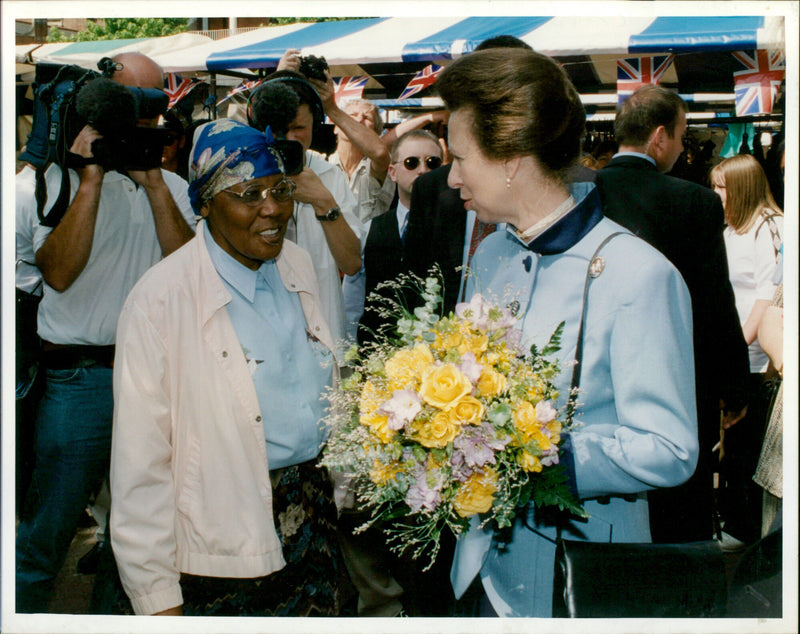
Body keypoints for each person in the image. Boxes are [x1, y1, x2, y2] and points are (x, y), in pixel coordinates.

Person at [438, 48, 699, 618]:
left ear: (510, 158)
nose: (452, 176)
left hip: (580, 581)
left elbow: (671, 448)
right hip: (485, 573)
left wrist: (538, 457)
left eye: (459, 157)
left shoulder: (638, 273)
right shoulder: (492, 256)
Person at [110, 120, 345, 616]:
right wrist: (157, 600)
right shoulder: (160, 302)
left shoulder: (295, 264)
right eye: (249, 193)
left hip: (314, 519)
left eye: (280, 189)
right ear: (204, 204)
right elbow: (140, 465)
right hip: (223, 540)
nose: (273, 208)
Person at [14, 52, 196, 614]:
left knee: (145, 532)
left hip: (155, 377)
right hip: (80, 380)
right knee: (49, 531)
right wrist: (91, 172)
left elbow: (189, 268)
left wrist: (153, 181)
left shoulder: (168, 185)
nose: (137, 118)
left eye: (149, 105)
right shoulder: (43, 185)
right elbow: (60, 274)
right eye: (125, 103)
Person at [595, 85, 751, 544]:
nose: (684, 148)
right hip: (682, 375)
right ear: (659, 137)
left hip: (602, 376)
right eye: (682, 136)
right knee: (679, 512)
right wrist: (735, 386)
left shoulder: (584, 191)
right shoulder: (695, 201)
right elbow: (714, 301)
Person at [248, 73, 363, 353]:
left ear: (315, 124)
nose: (289, 138)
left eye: (299, 127)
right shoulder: (245, 173)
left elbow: (351, 263)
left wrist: (323, 201)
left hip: (323, 327)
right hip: (263, 332)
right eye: (279, 129)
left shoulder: (331, 176)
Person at [710, 154, 783, 546]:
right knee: (733, 452)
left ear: (741, 189)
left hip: (759, 366)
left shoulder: (770, 229)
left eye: (722, 188)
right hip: (737, 361)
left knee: (750, 453)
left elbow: (767, 297)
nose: (716, 195)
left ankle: (749, 537)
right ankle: (736, 524)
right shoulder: (730, 231)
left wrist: (736, 349)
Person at [344, 130, 444, 346]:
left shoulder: (456, 232)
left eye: (432, 163)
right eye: (411, 163)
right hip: (378, 359)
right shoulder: (370, 229)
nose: (422, 170)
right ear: (393, 172)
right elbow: (352, 302)